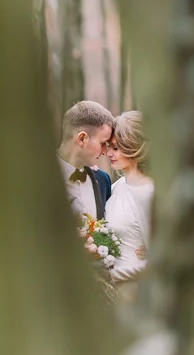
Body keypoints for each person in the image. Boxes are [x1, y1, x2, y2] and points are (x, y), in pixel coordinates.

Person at [105, 111, 154, 303]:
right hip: (111, 295)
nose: (109, 153)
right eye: (109, 147)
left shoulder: (148, 192)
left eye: (116, 148)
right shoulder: (115, 187)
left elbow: (158, 259)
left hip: (135, 296)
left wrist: (113, 275)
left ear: (133, 146)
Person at [57, 101, 115, 219]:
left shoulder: (103, 181)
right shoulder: (36, 178)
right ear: (82, 139)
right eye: (103, 143)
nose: (105, 151)